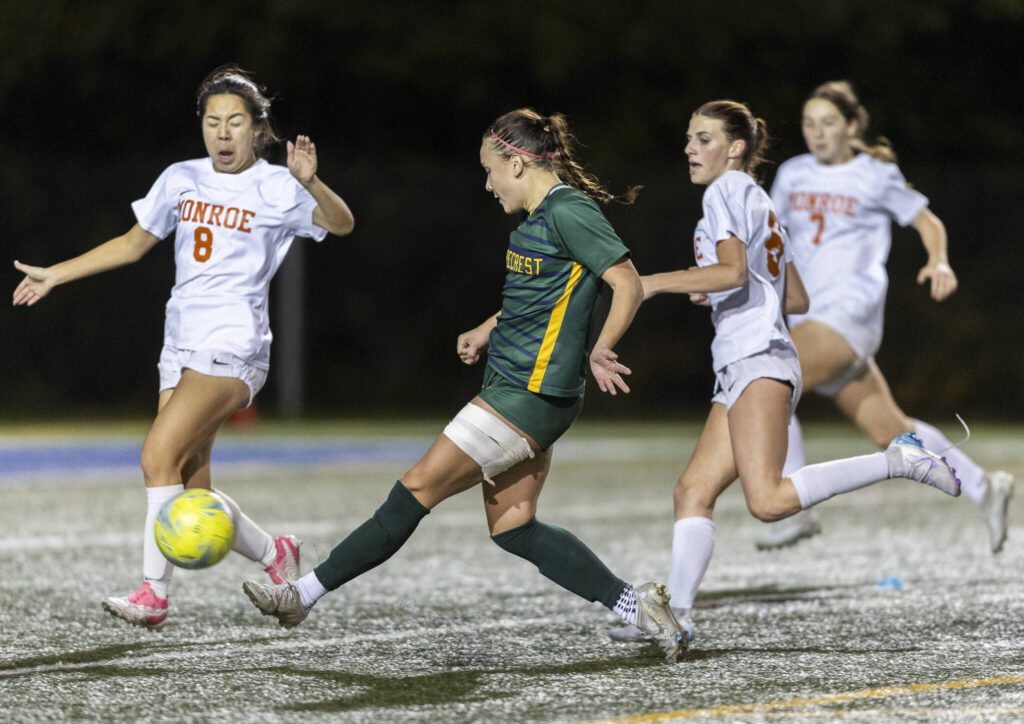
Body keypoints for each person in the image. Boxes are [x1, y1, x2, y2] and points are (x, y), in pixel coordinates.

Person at [242, 108, 688, 662]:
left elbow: (626, 282)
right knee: (514, 528)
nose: (486, 183)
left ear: (519, 163)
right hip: (521, 389)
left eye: (490, 170)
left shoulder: (569, 211)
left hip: (529, 394)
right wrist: (487, 326)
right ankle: (638, 606)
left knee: (414, 489)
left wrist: (602, 347)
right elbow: (541, 298)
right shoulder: (537, 220)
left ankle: (300, 595)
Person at [11, 65, 355, 629]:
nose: (223, 134)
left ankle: (153, 595)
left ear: (258, 129)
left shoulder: (277, 184)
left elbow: (341, 225)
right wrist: (56, 274)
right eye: (213, 122)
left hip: (235, 343)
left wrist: (311, 181)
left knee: (155, 457)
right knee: (192, 484)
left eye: (236, 122)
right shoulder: (181, 178)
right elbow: (131, 244)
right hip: (180, 343)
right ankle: (277, 554)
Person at [609, 100, 960, 645]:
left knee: (768, 501)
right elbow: (796, 296)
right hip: (748, 358)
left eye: (703, 139)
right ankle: (672, 615)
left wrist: (654, 282)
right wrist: (720, 291)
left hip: (757, 358)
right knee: (692, 492)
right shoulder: (762, 202)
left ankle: (899, 460)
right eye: (688, 138)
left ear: (736, 148)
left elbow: (730, 272)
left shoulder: (726, 191)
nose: (689, 149)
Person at [755, 81, 1013, 553]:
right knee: (890, 431)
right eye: (809, 123)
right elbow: (773, 239)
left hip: (850, 312)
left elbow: (927, 222)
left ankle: (794, 505)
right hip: (809, 320)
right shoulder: (792, 173)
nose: (817, 132)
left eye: (829, 123)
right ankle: (984, 487)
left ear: (853, 126)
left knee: (770, 381)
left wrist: (938, 260)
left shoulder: (874, 174)